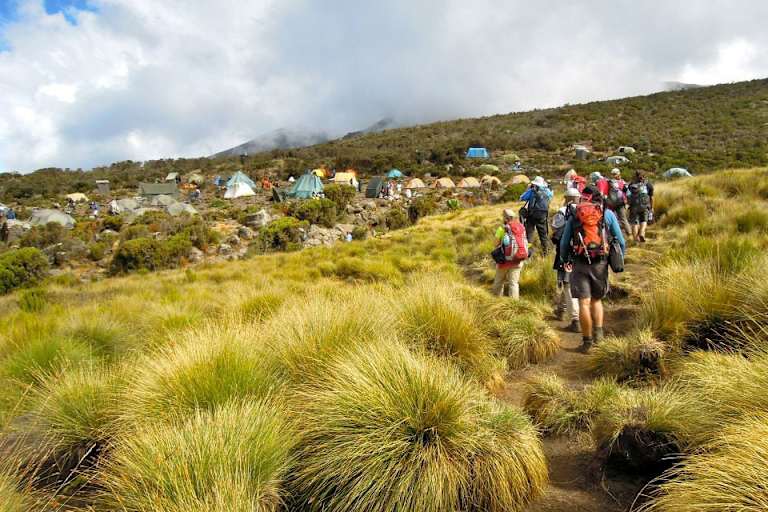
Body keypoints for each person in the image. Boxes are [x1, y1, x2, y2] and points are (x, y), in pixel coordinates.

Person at [560, 185, 626, 352]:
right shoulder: (607, 213)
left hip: (579, 262)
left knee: (583, 302)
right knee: (596, 300)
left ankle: (587, 343)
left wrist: (565, 259)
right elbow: (621, 241)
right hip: (600, 263)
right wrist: (617, 258)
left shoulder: (576, 214)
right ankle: (599, 337)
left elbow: (564, 242)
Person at [552, 188, 581, 332]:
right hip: (584, 253)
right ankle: (561, 309)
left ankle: (576, 319)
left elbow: (555, 228)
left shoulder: (563, 211)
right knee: (570, 284)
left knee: (568, 284)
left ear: (566, 197)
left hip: (567, 254)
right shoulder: (586, 210)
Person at [492, 209, 528, 299]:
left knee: (499, 281)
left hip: (504, 260)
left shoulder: (502, 228)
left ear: (505, 218)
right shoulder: (521, 227)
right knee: (514, 283)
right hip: (518, 258)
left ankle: (497, 300)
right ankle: (514, 304)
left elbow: (496, 244)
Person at [519, 176, 553, 255]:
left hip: (532, 216)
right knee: (543, 235)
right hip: (543, 216)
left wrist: (528, 189)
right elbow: (551, 197)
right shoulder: (547, 192)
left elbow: (521, 198)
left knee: (529, 235)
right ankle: (546, 253)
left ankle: (528, 253)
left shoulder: (532, 191)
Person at [627, 171, 654, 243]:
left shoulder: (631, 184)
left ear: (635, 176)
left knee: (634, 222)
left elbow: (628, 195)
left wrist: (628, 205)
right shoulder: (648, 184)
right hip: (645, 205)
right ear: (644, 176)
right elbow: (651, 197)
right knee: (644, 220)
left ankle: (636, 240)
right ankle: (642, 233)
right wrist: (651, 207)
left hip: (634, 206)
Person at [605, 168, 632, 235]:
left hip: (611, 203)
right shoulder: (623, 182)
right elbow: (627, 193)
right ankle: (629, 233)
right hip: (621, 203)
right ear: (619, 173)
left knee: (610, 219)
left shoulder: (609, 182)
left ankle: (612, 233)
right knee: (623, 219)